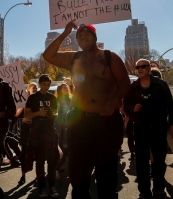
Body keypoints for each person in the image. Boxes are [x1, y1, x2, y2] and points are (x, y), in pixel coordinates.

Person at [43, 21, 130, 199]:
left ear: (95, 37)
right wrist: (65, 32)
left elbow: (125, 82)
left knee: (106, 178)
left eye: (87, 34)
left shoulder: (109, 56)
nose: (83, 38)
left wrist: (114, 102)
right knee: (78, 177)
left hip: (106, 121)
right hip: (80, 121)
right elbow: (48, 55)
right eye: (79, 36)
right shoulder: (74, 58)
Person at [124, 59, 173, 199]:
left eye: (143, 66)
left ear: (150, 68)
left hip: (158, 127)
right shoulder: (134, 86)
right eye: (138, 67)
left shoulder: (161, 85)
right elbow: (126, 106)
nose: (140, 69)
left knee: (159, 160)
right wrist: (133, 108)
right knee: (141, 162)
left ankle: (159, 188)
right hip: (141, 128)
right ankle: (144, 191)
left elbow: (170, 106)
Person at [23, 75, 59, 197]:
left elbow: (56, 113)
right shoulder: (33, 98)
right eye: (44, 84)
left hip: (50, 132)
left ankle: (52, 186)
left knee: (52, 161)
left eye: (48, 84)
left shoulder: (52, 97)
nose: (46, 87)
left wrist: (51, 113)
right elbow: (26, 115)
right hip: (37, 133)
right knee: (39, 162)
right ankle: (42, 187)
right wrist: (39, 112)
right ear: (39, 84)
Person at [18, 83, 38, 185]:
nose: (34, 89)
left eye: (36, 88)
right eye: (32, 88)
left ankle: (38, 176)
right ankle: (23, 175)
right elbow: (18, 114)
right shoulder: (24, 100)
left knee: (37, 153)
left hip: (36, 128)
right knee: (24, 153)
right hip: (26, 128)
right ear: (28, 90)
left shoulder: (38, 100)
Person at [55, 83, 71, 173]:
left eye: (66, 87)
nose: (66, 89)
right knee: (59, 138)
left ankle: (63, 159)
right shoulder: (57, 99)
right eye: (64, 88)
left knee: (66, 139)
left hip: (68, 120)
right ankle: (59, 161)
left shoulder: (71, 99)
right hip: (59, 120)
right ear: (60, 90)